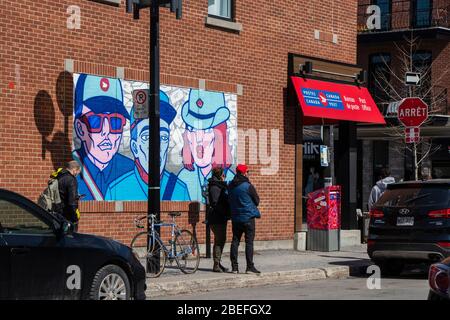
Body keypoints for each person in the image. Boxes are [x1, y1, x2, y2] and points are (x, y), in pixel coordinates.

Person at [105, 91, 190, 201]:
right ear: (134, 147)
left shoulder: (179, 189)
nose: (157, 145)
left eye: (163, 137)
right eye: (147, 137)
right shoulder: (116, 190)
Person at [73, 74, 134, 201]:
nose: (106, 132)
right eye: (95, 121)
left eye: (115, 122)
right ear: (80, 128)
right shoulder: (71, 170)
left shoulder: (130, 171)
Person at [177, 89, 235, 203]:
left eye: (207, 130)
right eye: (192, 129)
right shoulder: (181, 179)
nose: (199, 139)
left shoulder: (230, 179)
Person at [228, 164, 261, 274]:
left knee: (235, 241)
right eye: (247, 172)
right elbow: (257, 201)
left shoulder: (231, 185)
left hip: (236, 218)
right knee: (249, 242)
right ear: (243, 173)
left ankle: (234, 267)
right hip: (248, 218)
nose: (248, 173)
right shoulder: (248, 186)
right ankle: (249, 267)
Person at [207, 167, 231, 273]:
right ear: (220, 175)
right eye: (223, 175)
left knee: (220, 240)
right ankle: (216, 265)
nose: (224, 177)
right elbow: (216, 203)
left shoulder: (218, 185)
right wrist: (225, 213)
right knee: (219, 241)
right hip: (217, 218)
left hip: (220, 218)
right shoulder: (214, 187)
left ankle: (218, 263)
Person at [55, 161, 82, 231]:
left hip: (56, 213)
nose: (76, 175)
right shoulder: (71, 179)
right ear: (74, 170)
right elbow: (72, 202)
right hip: (67, 216)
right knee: (70, 239)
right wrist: (75, 217)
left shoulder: (58, 176)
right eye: (77, 173)